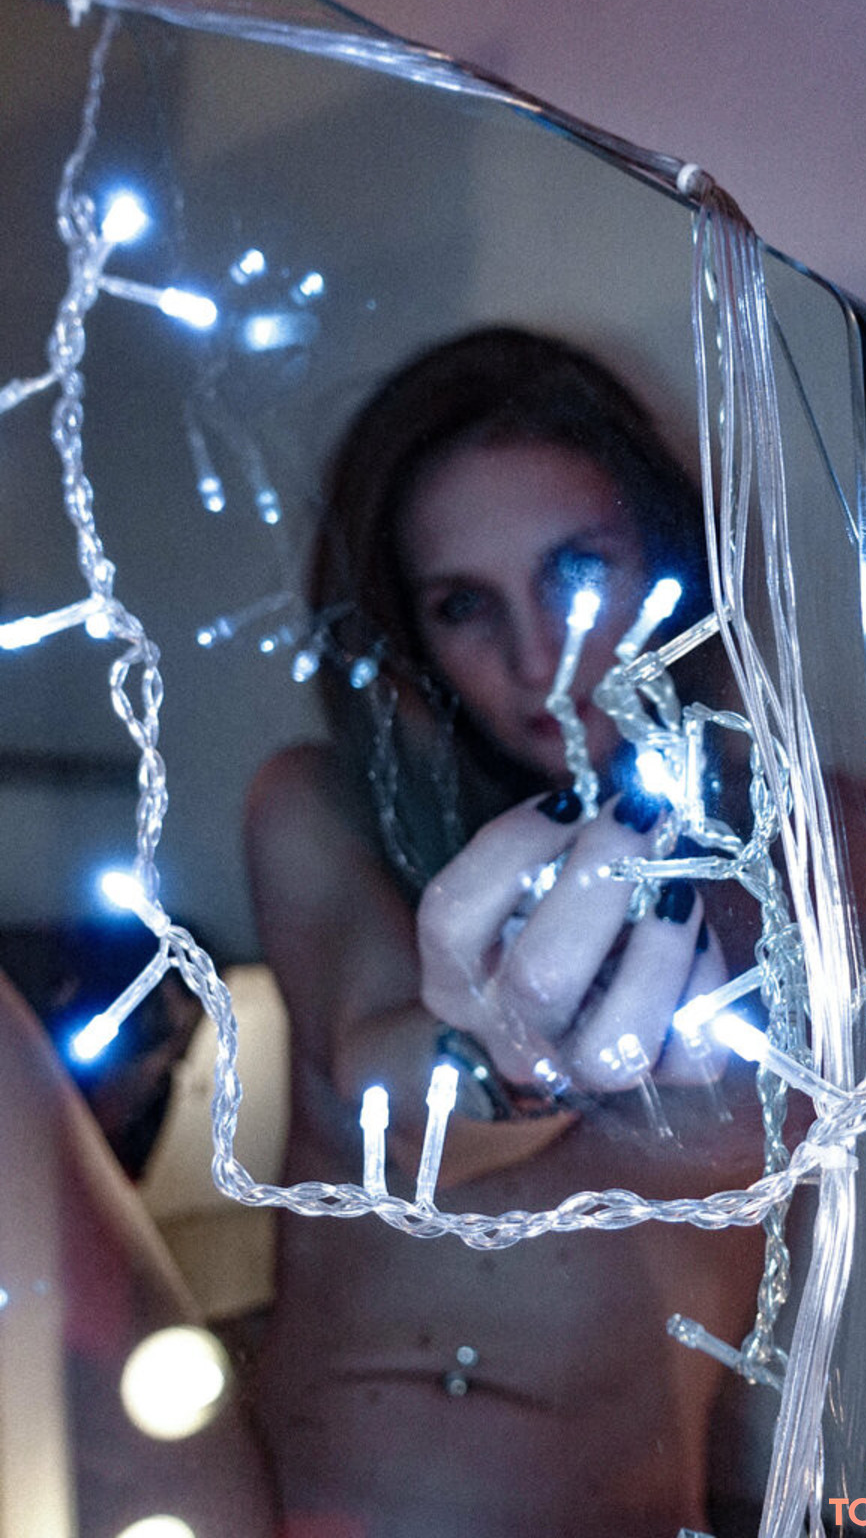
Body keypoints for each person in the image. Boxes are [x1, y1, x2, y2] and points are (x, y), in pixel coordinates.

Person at [246, 327, 778, 1537]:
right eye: (463, 605)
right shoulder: (322, 809)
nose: (540, 658)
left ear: (671, 563)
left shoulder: (809, 847)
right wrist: (499, 1049)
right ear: (408, 636)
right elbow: (379, 1069)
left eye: (575, 571)